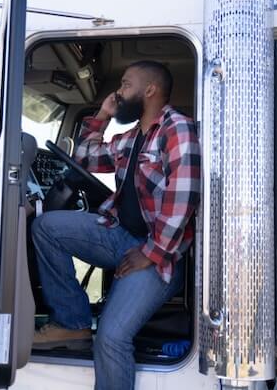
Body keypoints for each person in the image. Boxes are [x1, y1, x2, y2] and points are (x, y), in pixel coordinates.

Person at [31, 60, 201, 390]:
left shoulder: (177, 129)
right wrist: (103, 115)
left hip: (162, 258)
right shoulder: (130, 138)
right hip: (121, 237)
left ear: (149, 90)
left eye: (125, 85)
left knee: (111, 337)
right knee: (46, 227)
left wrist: (150, 253)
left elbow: (184, 198)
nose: (118, 93)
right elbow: (84, 156)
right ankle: (73, 323)